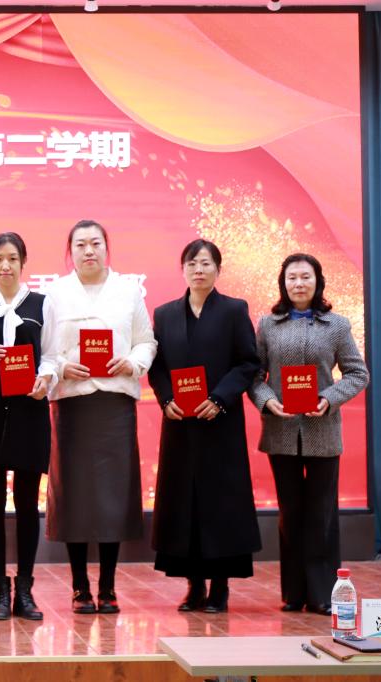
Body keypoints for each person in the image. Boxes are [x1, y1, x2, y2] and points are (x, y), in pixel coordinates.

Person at [44, 220, 156, 615]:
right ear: (70, 251)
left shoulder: (127, 290)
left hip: (115, 404)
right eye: (80, 244)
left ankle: (107, 586)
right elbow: (44, 350)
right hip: (72, 404)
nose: (89, 251)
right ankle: (80, 587)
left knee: (113, 496)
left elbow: (146, 341)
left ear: (107, 248)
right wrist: (61, 367)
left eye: (95, 243)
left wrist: (133, 363)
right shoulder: (55, 293)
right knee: (73, 495)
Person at [248, 253, 368, 614]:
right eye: (292, 278)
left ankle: (322, 593)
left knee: (321, 514)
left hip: (323, 431)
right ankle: (294, 593)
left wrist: (329, 398)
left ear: (318, 282)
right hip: (281, 430)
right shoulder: (268, 325)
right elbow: (254, 376)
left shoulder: (338, 325)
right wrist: (267, 401)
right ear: (283, 283)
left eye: (305, 277)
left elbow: (357, 373)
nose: (298, 283)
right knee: (290, 513)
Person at [149, 239, 261, 613]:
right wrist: (166, 399)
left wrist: (220, 398)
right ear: (182, 269)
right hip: (180, 425)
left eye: (206, 263)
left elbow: (248, 362)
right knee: (184, 503)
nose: (199, 270)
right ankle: (194, 586)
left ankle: (220, 587)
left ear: (218, 269)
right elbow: (157, 366)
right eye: (192, 263)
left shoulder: (233, 310)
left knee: (220, 503)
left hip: (219, 423)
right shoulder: (165, 314)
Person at [0, 233, 56, 620]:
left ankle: (26, 589)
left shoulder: (42, 304)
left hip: (29, 409)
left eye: (13, 258)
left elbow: (51, 354)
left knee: (27, 502)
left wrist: (45, 378)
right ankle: (0, 589)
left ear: (23, 263)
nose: (5, 266)